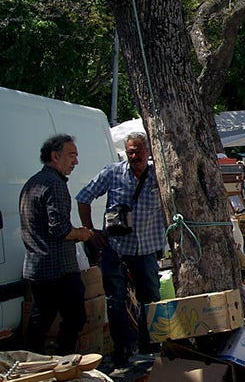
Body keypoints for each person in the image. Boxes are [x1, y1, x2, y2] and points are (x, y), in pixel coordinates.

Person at [76, 132, 166, 365]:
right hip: (115, 247)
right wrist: (91, 231)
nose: (134, 156)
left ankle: (149, 347)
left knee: (150, 299)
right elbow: (83, 197)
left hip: (146, 248)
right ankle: (123, 348)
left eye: (138, 151)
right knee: (115, 300)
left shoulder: (160, 175)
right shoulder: (113, 172)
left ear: (148, 151)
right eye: (130, 152)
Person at [21, 135, 95, 355]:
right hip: (58, 269)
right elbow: (60, 229)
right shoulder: (54, 184)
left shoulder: (33, 182)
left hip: (37, 266)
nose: (76, 162)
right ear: (55, 156)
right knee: (75, 316)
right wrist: (82, 234)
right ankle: (63, 362)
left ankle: (32, 362)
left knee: (42, 319)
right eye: (71, 156)